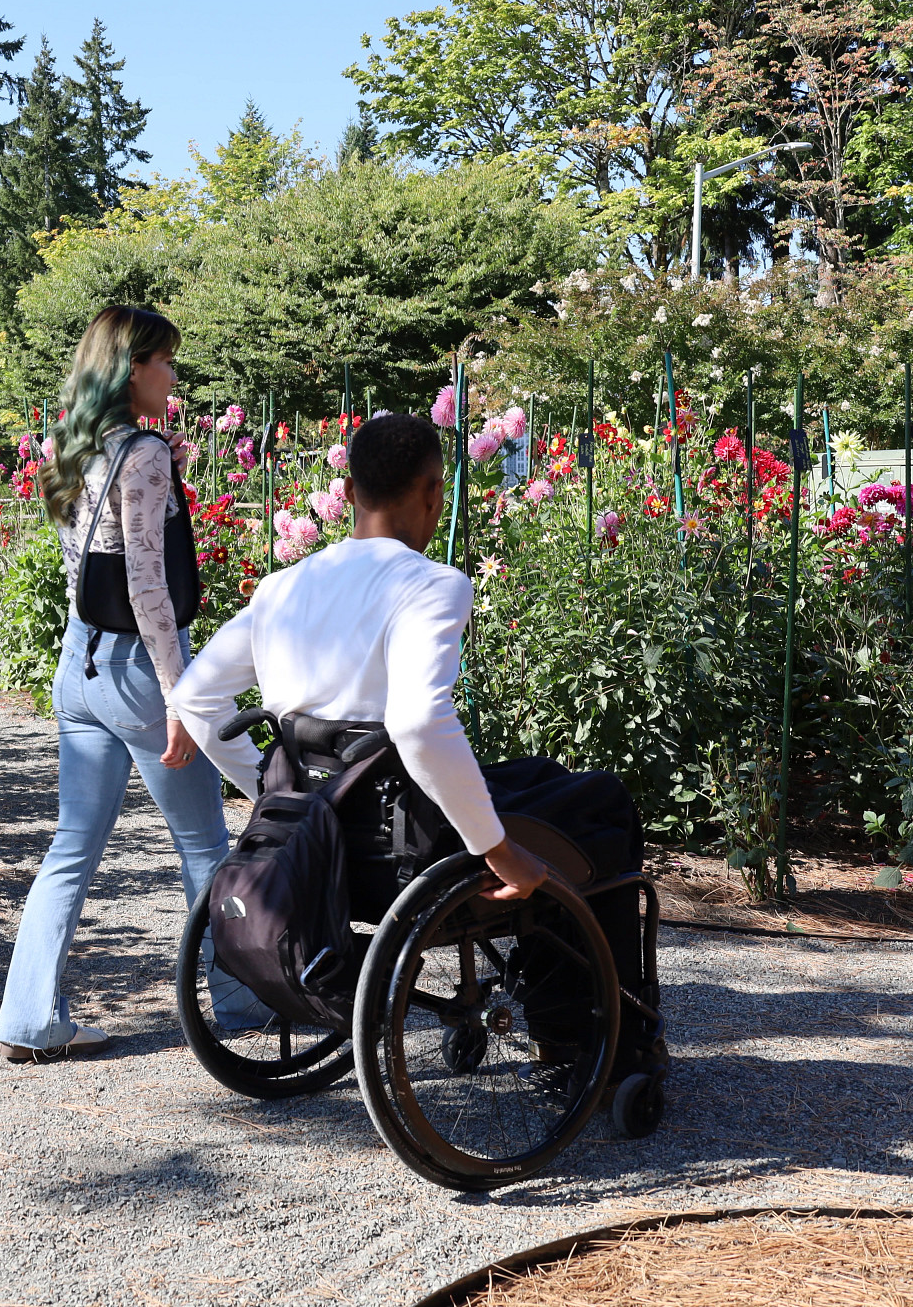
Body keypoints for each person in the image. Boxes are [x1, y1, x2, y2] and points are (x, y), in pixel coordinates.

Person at [171, 413, 654, 1075]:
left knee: (541, 774)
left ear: (354, 488)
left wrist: (271, 791)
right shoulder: (430, 585)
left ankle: (561, 1014)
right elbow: (420, 723)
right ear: (432, 491)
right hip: (405, 844)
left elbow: (196, 696)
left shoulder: (282, 588)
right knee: (603, 802)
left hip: (326, 837)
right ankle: (587, 1039)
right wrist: (499, 850)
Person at [0, 306, 228, 1063]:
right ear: (133, 368)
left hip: (78, 663)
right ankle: (243, 997)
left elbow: (92, 565)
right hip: (137, 671)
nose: (174, 376)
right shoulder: (145, 453)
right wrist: (181, 697)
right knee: (204, 844)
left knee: (71, 845)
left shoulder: (73, 447)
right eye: (165, 362)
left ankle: (30, 1018)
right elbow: (150, 590)